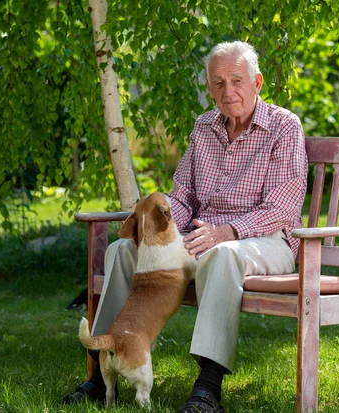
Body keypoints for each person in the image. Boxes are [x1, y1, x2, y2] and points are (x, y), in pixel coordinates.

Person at [63, 40, 308, 413]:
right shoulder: (204, 126)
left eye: (237, 81)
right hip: (199, 239)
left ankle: (208, 388)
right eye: (219, 83)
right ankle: (101, 371)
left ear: (257, 82)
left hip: (264, 240)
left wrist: (228, 232)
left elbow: (283, 207)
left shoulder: (284, 127)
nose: (229, 92)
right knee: (121, 251)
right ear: (209, 88)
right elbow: (185, 195)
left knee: (223, 255)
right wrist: (154, 220)